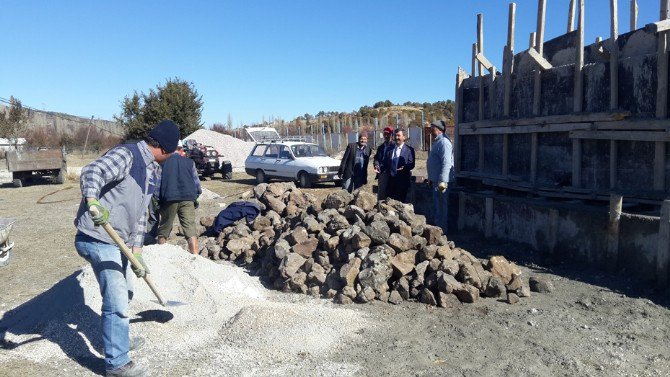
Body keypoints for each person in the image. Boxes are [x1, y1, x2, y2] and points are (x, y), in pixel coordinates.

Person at [73, 119, 180, 377]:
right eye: (173, 151)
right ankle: (117, 364)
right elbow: (91, 172)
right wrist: (93, 201)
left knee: (128, 289)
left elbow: (141, 215)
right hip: (97, 236)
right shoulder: (126, 155)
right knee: (118, 298)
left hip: (119, 241)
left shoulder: (153, 169)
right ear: (164, 148)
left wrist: (138, 254)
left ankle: (117, 338)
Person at [156, 147, 202, 254]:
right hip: (188, 198)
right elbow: (197, 183)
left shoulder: (162, 162)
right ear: (180, 150)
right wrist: (196, 195)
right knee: (190, 228)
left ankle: (161, 255)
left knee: (165, 228)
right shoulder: (189, 162)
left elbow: (158, 184)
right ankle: (195, 256)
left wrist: (158, 200)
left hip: (169, 198)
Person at [426, 120, 454, 232]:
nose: (431, 131)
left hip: (441, 183)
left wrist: (443, 181)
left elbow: (446, 162)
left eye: (432, 128)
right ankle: (438, 229)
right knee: (437, 205)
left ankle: (442, 230)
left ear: (438, 129)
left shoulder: (444, 143)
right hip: (436, 181)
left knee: (441, 206)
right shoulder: (438, 142)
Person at [385, 128, 415, 202]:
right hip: (390, 182)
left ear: (404, 137)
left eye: (399, 135)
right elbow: (386, 162)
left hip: (402, 182)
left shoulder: (409, 150)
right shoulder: (390, 149)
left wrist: (405, 167)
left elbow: (412, 164)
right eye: (395, 136)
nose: (397, 138)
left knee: (400, 205)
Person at [373, 127, 395, 200]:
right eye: (385, 134)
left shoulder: (394, 146)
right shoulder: (381, 147)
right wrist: (376, 164)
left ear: (391, 135)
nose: (386, 136)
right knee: (381, 193)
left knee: (391, 193)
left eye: (388, 134)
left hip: (391, 173)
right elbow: (376, 158)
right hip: (382, 173)